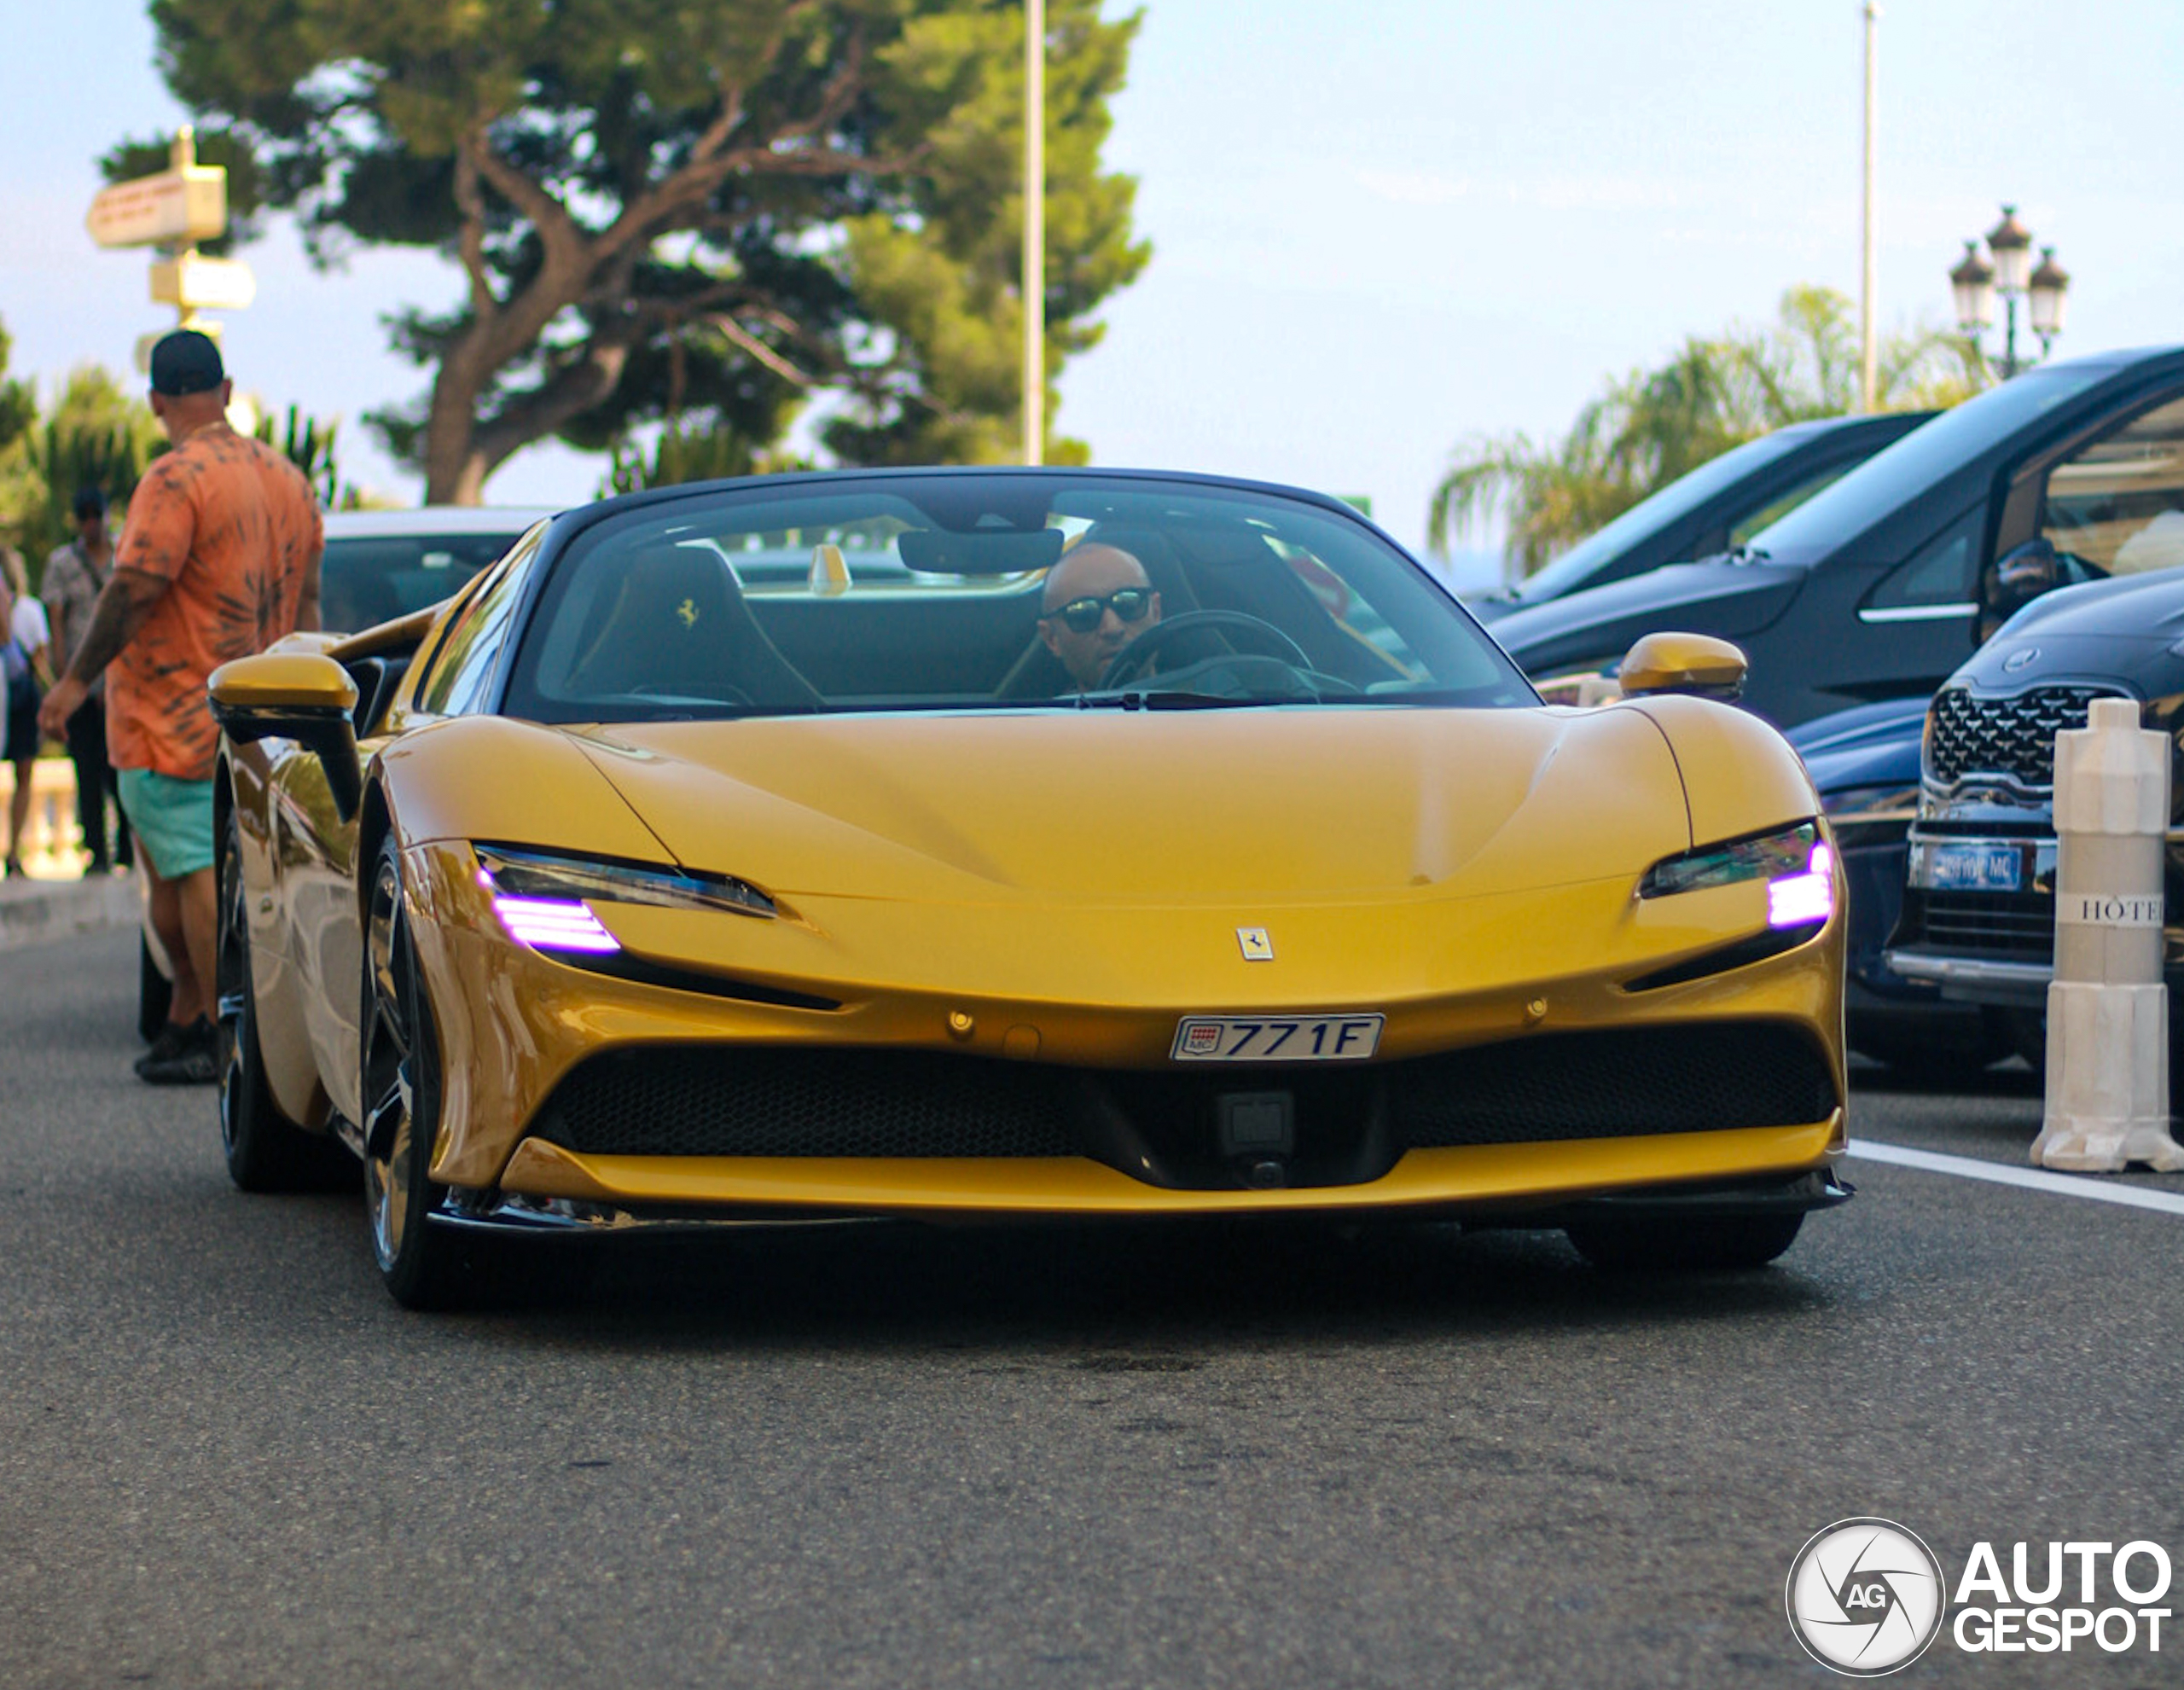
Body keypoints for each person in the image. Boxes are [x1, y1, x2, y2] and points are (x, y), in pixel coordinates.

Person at [38, 330, 322, 1084]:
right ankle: (186, 1020)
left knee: (190, 872)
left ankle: (229, 1036)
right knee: (174, 877)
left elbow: (133, 588)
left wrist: (71, 683)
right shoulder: (291, 481)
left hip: (176, 716)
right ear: (226, 391)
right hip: (262, 712)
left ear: (158, 401)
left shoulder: (174, 478)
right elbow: (312, 604)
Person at [41, 487, 131, 874]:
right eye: (85, 516)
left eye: (97, 514)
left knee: (123, 768)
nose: (92, 523)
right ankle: (97, 849)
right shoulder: (64, 563)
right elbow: (57, 622)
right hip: (82, 682)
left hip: (121, 684)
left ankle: (128, 846)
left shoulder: (124, 557)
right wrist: (68, 681)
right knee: (87, 769)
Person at [1036, 543, 1163, 691]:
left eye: (1128, 604)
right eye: (1084, 614)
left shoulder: (1196, 704)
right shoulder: (1037, 714)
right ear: (1051, 638)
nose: (1113, 628)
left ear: (1156, 611)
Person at [2, 545, 55, 877]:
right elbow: (41, 662)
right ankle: (14, 850)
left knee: (23, 772)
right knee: (24, 774)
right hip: (20, 697)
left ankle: (14, 850)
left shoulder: (30, 610)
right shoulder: (32, 611)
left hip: (16, 699)